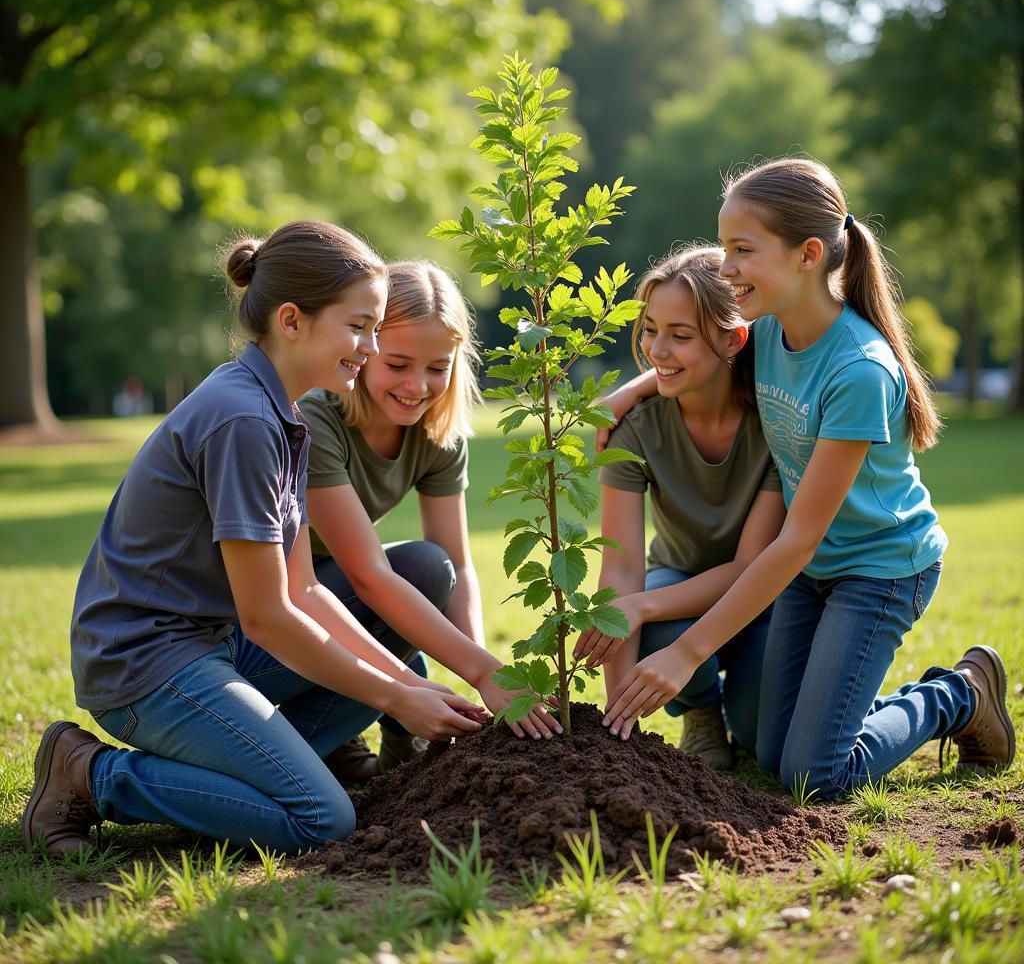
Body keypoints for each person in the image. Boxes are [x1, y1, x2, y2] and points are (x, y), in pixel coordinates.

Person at [22, 220, 487, 858]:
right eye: (360, 327)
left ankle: (246, 771)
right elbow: (268, 617)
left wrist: (407, 687)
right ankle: (89, 773)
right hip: (146, 663)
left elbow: (304, 592)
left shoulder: (280, 412)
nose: (369, 347)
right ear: (292, 320)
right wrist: (392, 696)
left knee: (324, 752)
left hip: (204, 650)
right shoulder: (244, 418)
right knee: (319, 819)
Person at [600, 158, 1015, 799]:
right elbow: (694, 348)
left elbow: (793, 539)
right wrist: (624, 396)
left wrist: (686, 652)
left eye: (742, 250)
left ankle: (956, 694)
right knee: (771, 755)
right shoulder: (764, 332)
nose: (726, 267)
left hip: (877, 570)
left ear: (808, 255)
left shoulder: (858, 370)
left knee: (813, 777)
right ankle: (862, 715)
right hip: (810, 572)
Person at [300, 260, 561, 782]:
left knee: (430, 568)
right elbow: (366, 578)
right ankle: (344, 733)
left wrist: (486, 670)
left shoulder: (436, 434)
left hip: (329, 599)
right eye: (398, 364)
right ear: (365, 347)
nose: (417, 386)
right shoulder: (314, 419)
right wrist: (482, 672)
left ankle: (378, 753)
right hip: (258, 615)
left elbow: (459, 564)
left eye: (437, 367)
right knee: (417, 574)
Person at [573, 247, 785, 768]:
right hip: (676, 583)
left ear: (732, 340)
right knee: (643, 626)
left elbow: (748, 568)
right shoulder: (635, 429)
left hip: (764, 594)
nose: (656, 350)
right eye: (649, 330)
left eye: (680, 335)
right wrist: (617, 719)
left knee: (763, 744)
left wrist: (639, 606)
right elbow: (621, 569)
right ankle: (701, 708)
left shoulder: (777, 424)